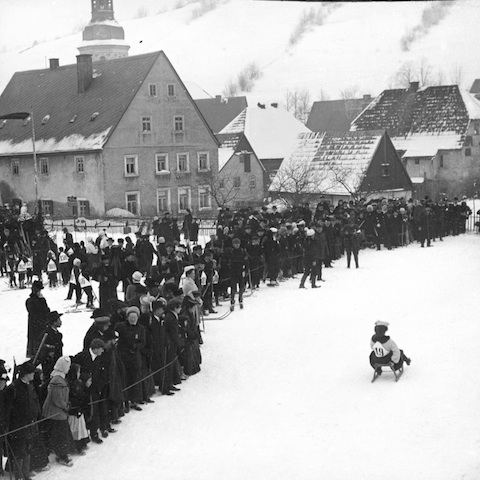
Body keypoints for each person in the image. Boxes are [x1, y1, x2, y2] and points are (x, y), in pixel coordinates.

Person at [3, 362, 41, 480]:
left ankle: (26, 473)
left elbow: (34, 401)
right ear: (26, 374)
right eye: (32, 373)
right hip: (17, 426)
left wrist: (37, 414)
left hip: (30, 424)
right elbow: (6, 410)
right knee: (19, 452)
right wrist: (5, 426)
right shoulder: (13, 388)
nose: (34, 375)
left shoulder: (30, 385)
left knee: (28, 449)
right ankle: (19, 475)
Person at [42, 356, 73, 467]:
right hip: (56, 413)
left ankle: (58, 453)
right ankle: (62, 455)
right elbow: (57, 399)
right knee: (61, 435)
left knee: (55, 434)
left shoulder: (58, 378)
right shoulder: (57, 380)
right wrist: (65, 406)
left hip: (57, 412)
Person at [26, 280, 50, 358]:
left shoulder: (41, 300)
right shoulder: (30, 301)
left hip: (42, 322)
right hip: (35, 323)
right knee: (35, 338)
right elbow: (38, 311)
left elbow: (46, 310)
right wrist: (41, 301)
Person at [38, 311, 64, 379]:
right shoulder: (47, 335)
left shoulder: (56, 333)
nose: (61, 321)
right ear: (54, 322)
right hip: (50, 365)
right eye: (59, 320)